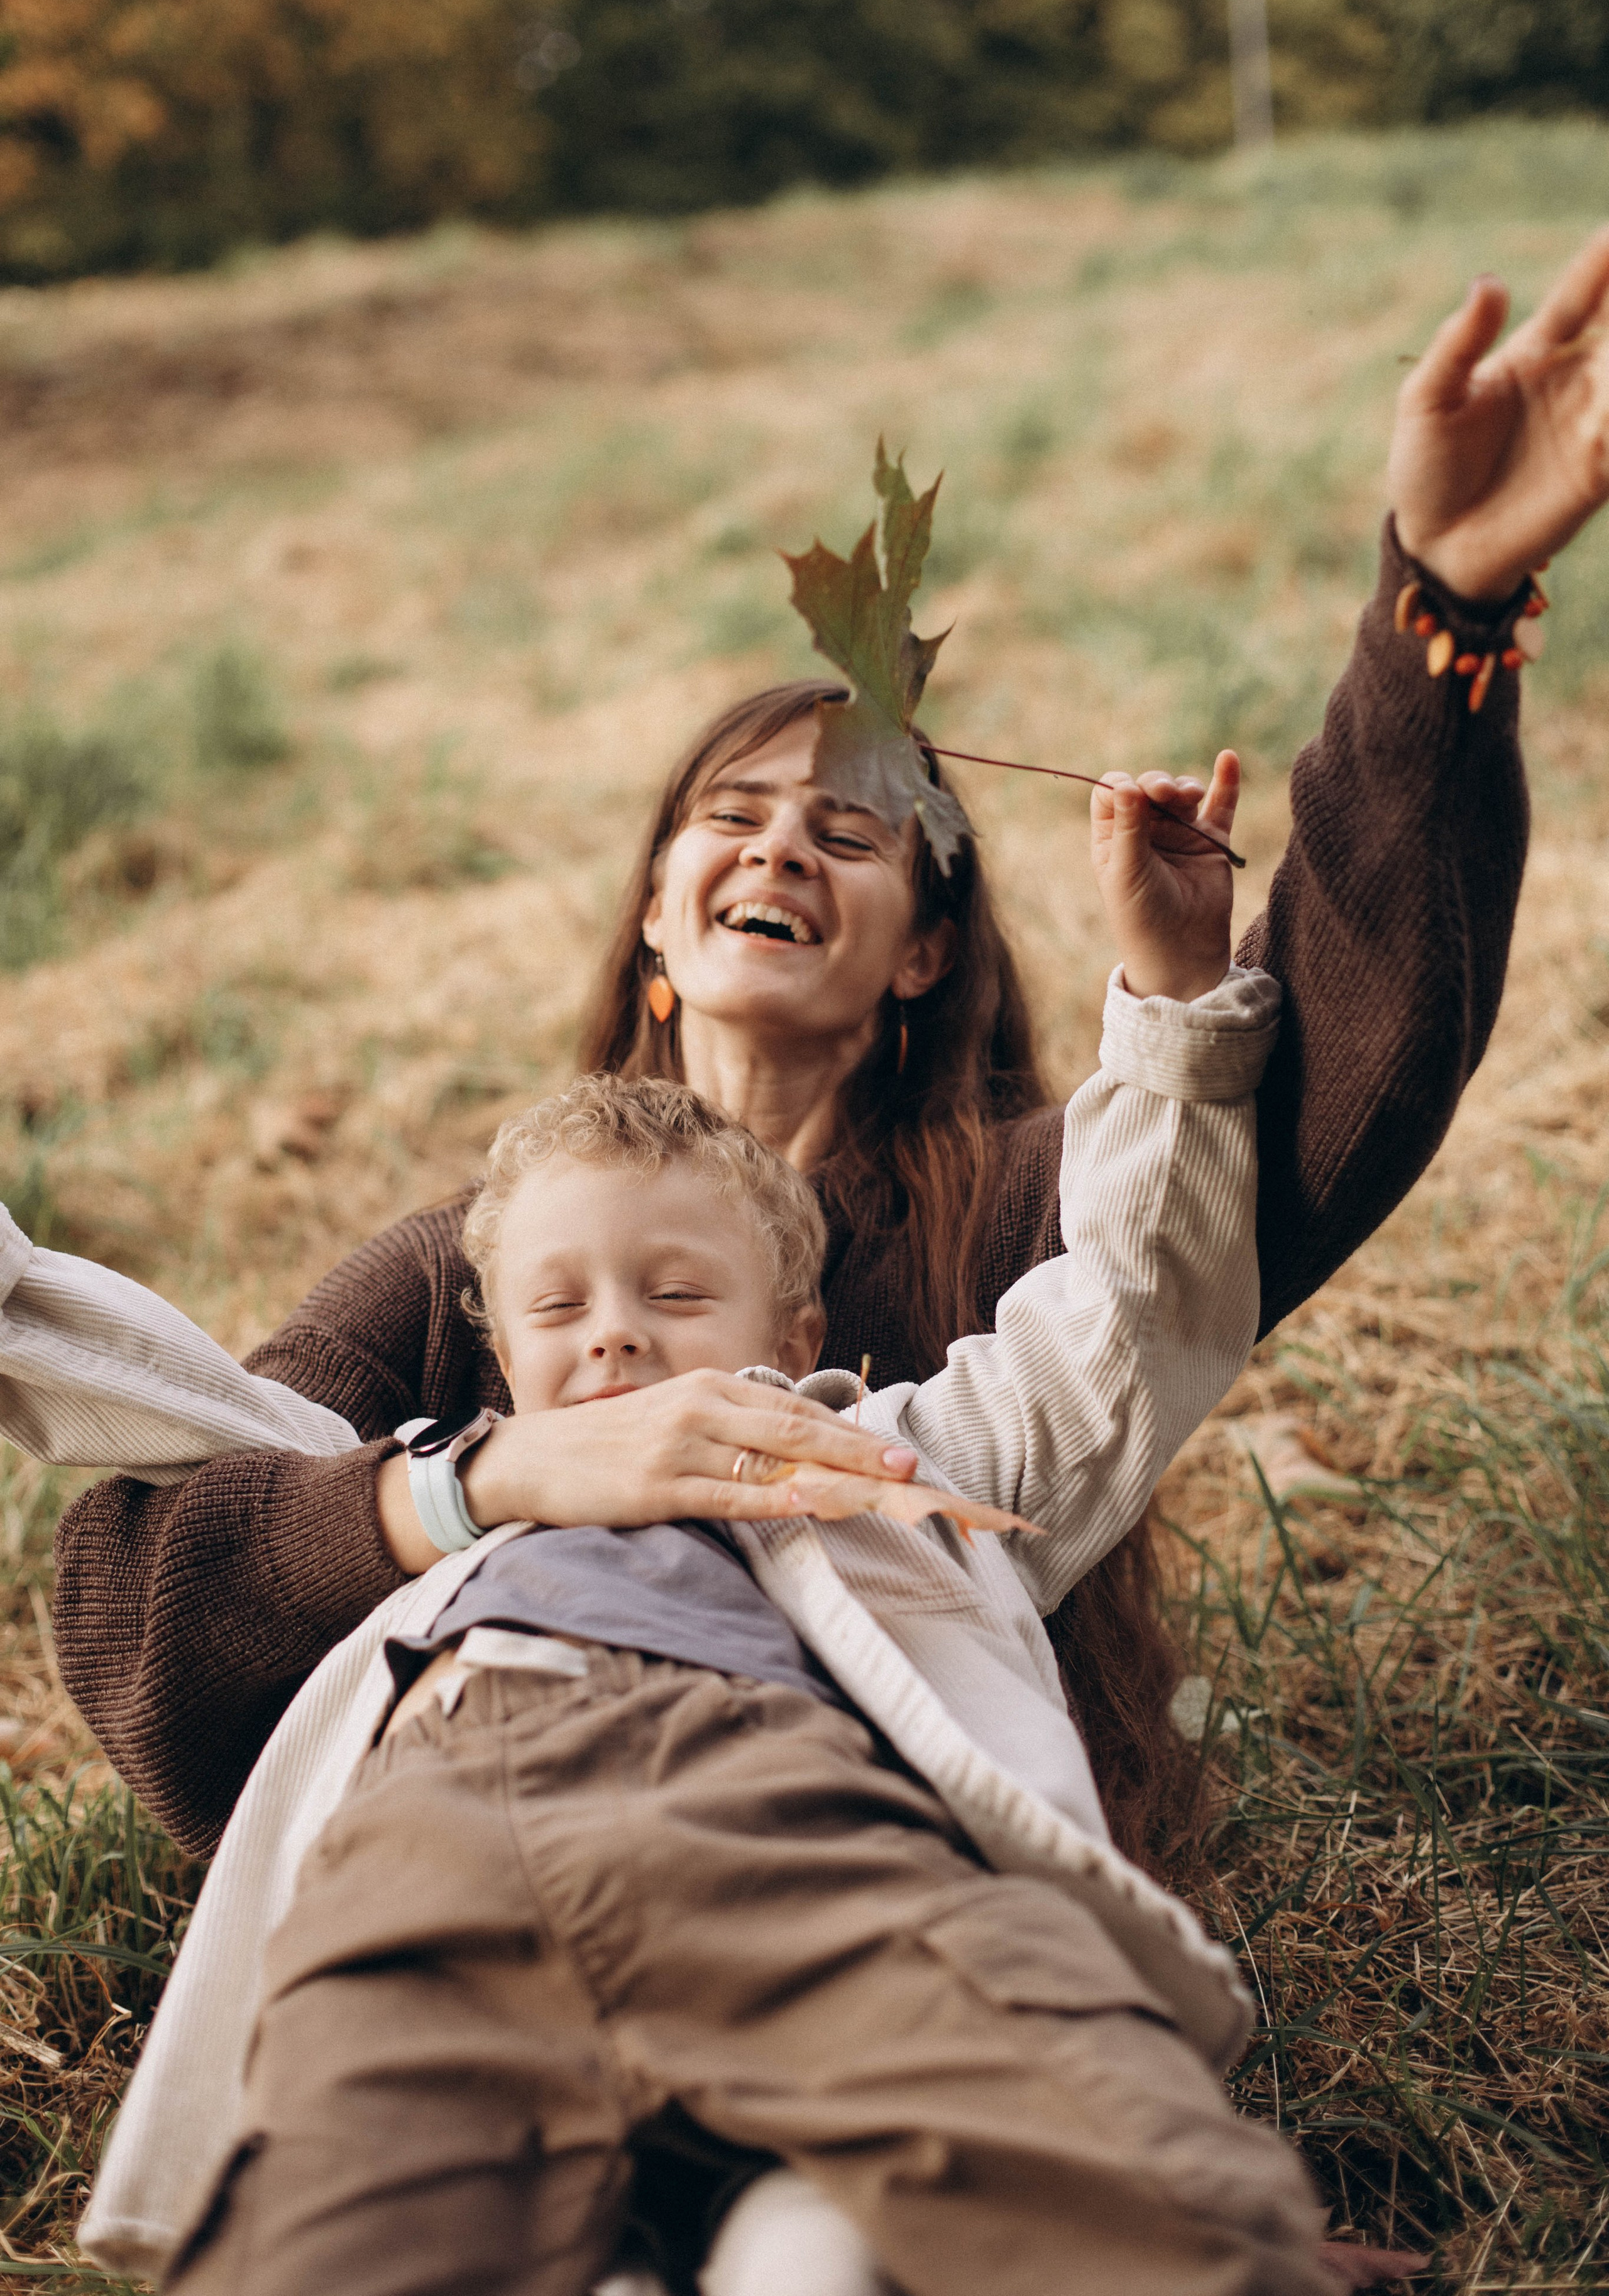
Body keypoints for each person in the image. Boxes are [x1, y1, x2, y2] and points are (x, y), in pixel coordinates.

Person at [49, 227, 1609, 1896]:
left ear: (927, 947)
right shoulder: (470, 1277)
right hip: (511, 1858)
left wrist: (1440, 615)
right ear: (656, 915)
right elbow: (144, 1602)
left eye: (851, 831)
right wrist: (495, 1476)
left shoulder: (1030, 1198)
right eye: (730, 818)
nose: (782, 846)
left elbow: (1330, 1087)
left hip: (909, 1864)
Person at [31, 937, 1305, 2285]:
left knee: (1175, 2222)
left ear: (796, 1334)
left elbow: (1130, 1309)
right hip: (425, 1846)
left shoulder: (898, 1461)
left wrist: (1171, 992)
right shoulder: (437, 1480)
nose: (616, 1335)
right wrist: (463, 1485)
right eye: (557, 1305)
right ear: (503, 1358)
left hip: (785, 1820)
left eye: (679, 1293)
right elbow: (141, 1396)